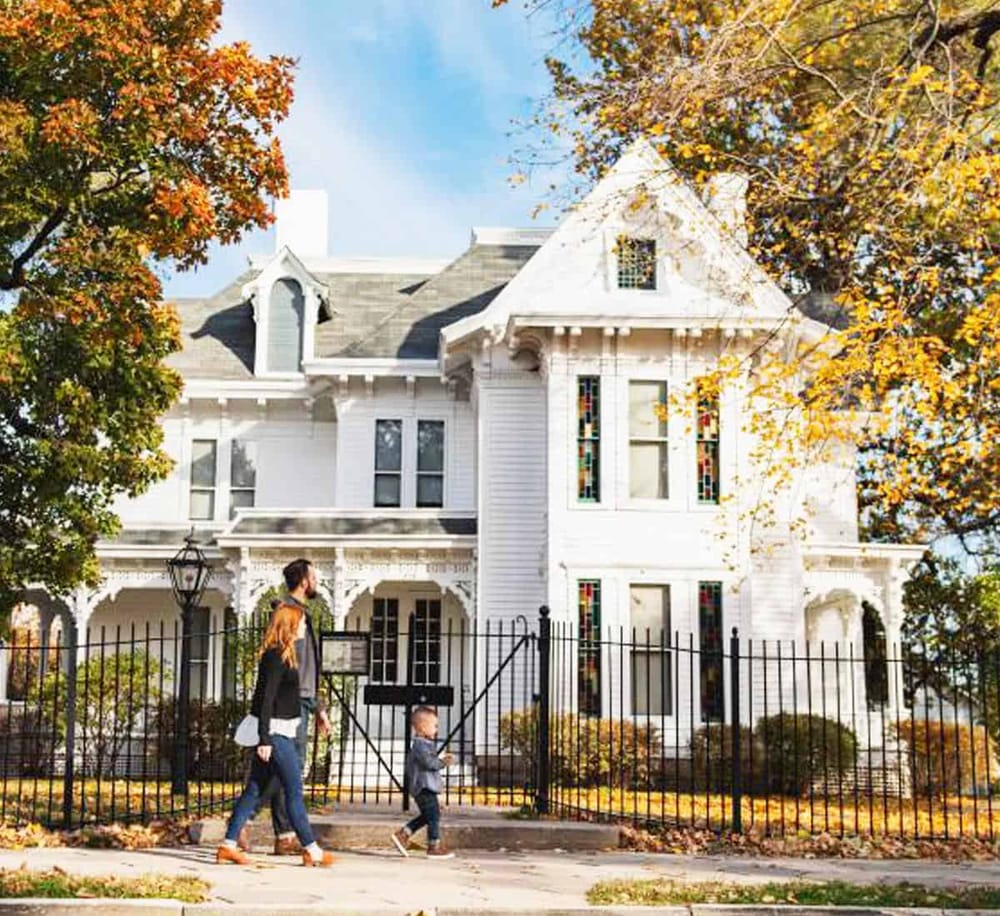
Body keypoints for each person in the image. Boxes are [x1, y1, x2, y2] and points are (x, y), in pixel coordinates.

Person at [217, 601, 335, 867]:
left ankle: (228, 844)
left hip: (280, 730)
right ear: (291, 624)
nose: (306, 626)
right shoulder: (277, 655)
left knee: (254, 789)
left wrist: (317, 710)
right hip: (276, 734)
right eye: (302, 622)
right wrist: (264, 738)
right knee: (294, 789)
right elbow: (265, 698)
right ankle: (311, 849)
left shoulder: (285, 653)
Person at [238, 558, 331, 856]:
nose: (317, 581)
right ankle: (273, 830)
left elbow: (309, 667)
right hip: (290, 706)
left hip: (303, 700)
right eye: (314, 576)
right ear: (304, 580)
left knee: (283, 770)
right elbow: (286, 667)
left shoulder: (302, 613)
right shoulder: (289, 612)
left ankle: (275, 831)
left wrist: (319, 707)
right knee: (286, 770)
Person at [390, 706, 456, 859]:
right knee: (433, 817)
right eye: (434, 726)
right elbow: (429, 764)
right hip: (423, 787)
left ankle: (403, 834)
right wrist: (443, 762)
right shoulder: (420, 745)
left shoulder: (424, 744)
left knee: (430, 815)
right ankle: (433, 846)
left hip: (426, 787)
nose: (436, 729)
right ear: (422, 727)